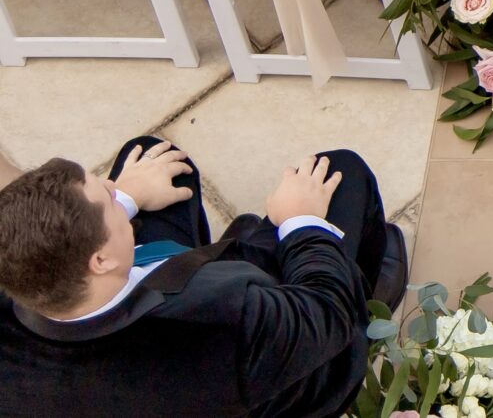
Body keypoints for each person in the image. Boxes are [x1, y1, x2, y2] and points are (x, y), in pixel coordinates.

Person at [0, 135, 401, 418]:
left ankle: (228, 247)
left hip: (157, 281)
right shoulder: (219, 324)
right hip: (281, 362)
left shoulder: (23, 285)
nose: (110, 186)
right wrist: (302, 222)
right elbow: (325, 311)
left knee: (154, 154)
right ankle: (369, 290)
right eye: (106, 197)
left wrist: (125, 199)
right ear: (100, 259)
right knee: (342, 172)